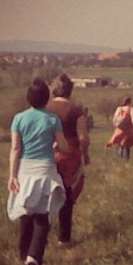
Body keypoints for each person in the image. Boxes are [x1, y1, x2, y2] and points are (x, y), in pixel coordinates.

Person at [7, 78, 69, 265]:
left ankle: (24, 255)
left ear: (29, 97)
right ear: (46, 98)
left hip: (25, 170)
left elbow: (16, 149)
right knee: (43, 215)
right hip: (46, 170)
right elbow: (64, 146)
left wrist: (12, 175)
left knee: (26, 211)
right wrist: (55, 145)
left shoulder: (19, 118)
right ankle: (34, 257)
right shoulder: (52, 119)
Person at [46, 73, 91, 248]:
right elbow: (83, 137)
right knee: (67, 195)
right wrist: (85, 154)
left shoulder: (45, 108)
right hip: (69, 155)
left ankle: (41, 235)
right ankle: (64, 238)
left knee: (46, 194)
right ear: (70, 90)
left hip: (47, 154)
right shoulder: (75, 110)